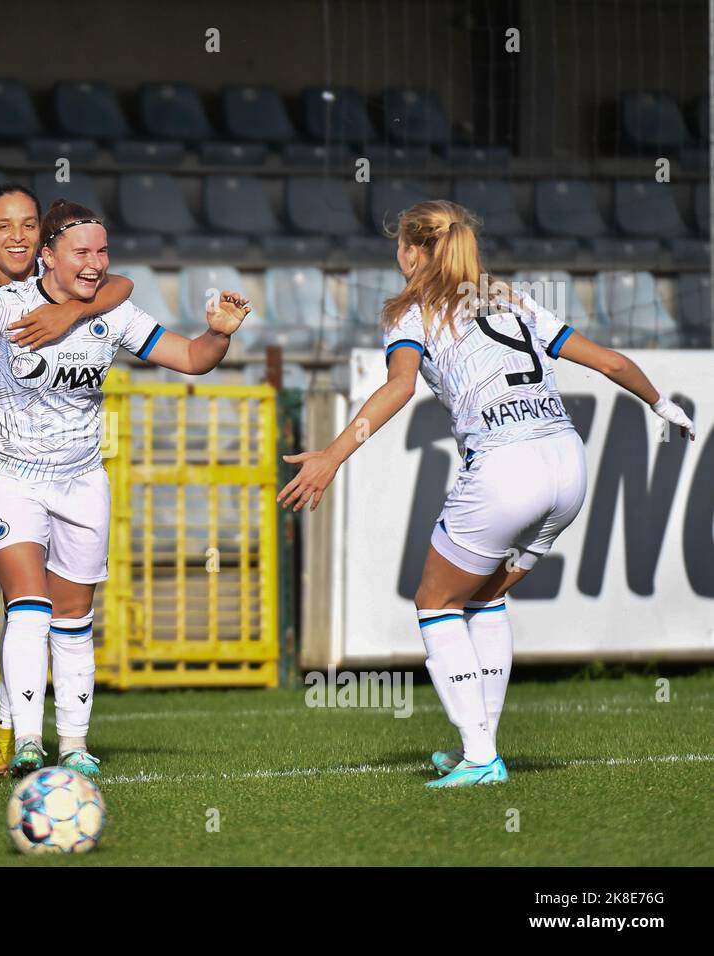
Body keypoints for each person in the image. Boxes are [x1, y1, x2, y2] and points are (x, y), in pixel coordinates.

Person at [278, 200, 696, 788]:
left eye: (400, 244)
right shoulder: (507, 299)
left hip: (507, 468)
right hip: (568, 464)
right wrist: (660, 403)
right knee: (486, 598)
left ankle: (480, 757)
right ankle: (479, 747)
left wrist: (331, 456)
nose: (397, 254)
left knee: (436, 603)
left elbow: (399, 388)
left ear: (413, 250)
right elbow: (609, 360)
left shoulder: (411, 311)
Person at [0, 199, 250, 777]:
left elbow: (192, 358)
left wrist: (217, 335)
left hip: (81, 482)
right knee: (28, 603)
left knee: (74, 620)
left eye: (102, 251)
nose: (95, 263)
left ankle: (73, 744)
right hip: (7, 476)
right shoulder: (6, 303)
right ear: (48, 256)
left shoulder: (111, 313)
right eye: (82, 252)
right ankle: (25, 743)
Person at [0, 182, 133, 778]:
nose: (17, 235)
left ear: (44, 237)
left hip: (53, 464)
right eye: (4, 226)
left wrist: (71, 309)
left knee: (30, 602)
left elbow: (122, 286)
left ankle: (22, 730)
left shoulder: (70, 284)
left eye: (29, 224)